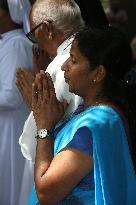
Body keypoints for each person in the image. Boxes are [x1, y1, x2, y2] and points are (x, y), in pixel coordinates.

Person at [29, 26, 136, 205]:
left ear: (98, 73)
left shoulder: (96, 125)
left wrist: (44, 127)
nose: (64, 67)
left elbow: (46, 193)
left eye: (73, 60)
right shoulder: (93, 113)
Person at [17, 0, 109, 162]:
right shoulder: (94, 50)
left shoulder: (61, 65)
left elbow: (36, 149)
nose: (36, 43)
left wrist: (35, 104)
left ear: (47, 29)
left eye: (33, 35)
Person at [0, 0, 34, 204]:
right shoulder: (8, 42)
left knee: (10, 183)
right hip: (5, 124)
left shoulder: (17, 43)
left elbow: (11, 96)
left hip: (11, 128)